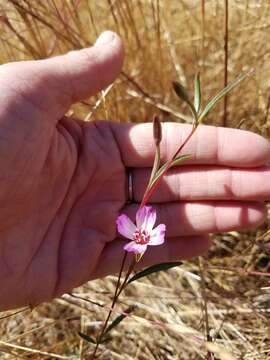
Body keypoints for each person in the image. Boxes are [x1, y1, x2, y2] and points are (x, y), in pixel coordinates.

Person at [0, 31, 269, 311]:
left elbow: (148, 229)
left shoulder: (140, 233)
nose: (141, 236)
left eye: (142, 236)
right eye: (140, 236)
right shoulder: (135, 237)